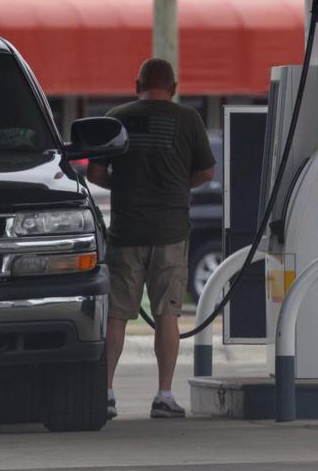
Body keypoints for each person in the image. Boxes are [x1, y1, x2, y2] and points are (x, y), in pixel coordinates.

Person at [88, 58, 215, 419]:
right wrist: (177, 186)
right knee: (167, 315)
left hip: (126, 232)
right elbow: (206, 171)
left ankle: (107, 393)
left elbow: (96, 173)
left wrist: (126, 186)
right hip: (170, 233)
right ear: (173, 87)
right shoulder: (188, 119)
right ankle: (163, 396)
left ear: (136, 84)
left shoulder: (117, 116)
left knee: (116, 315)